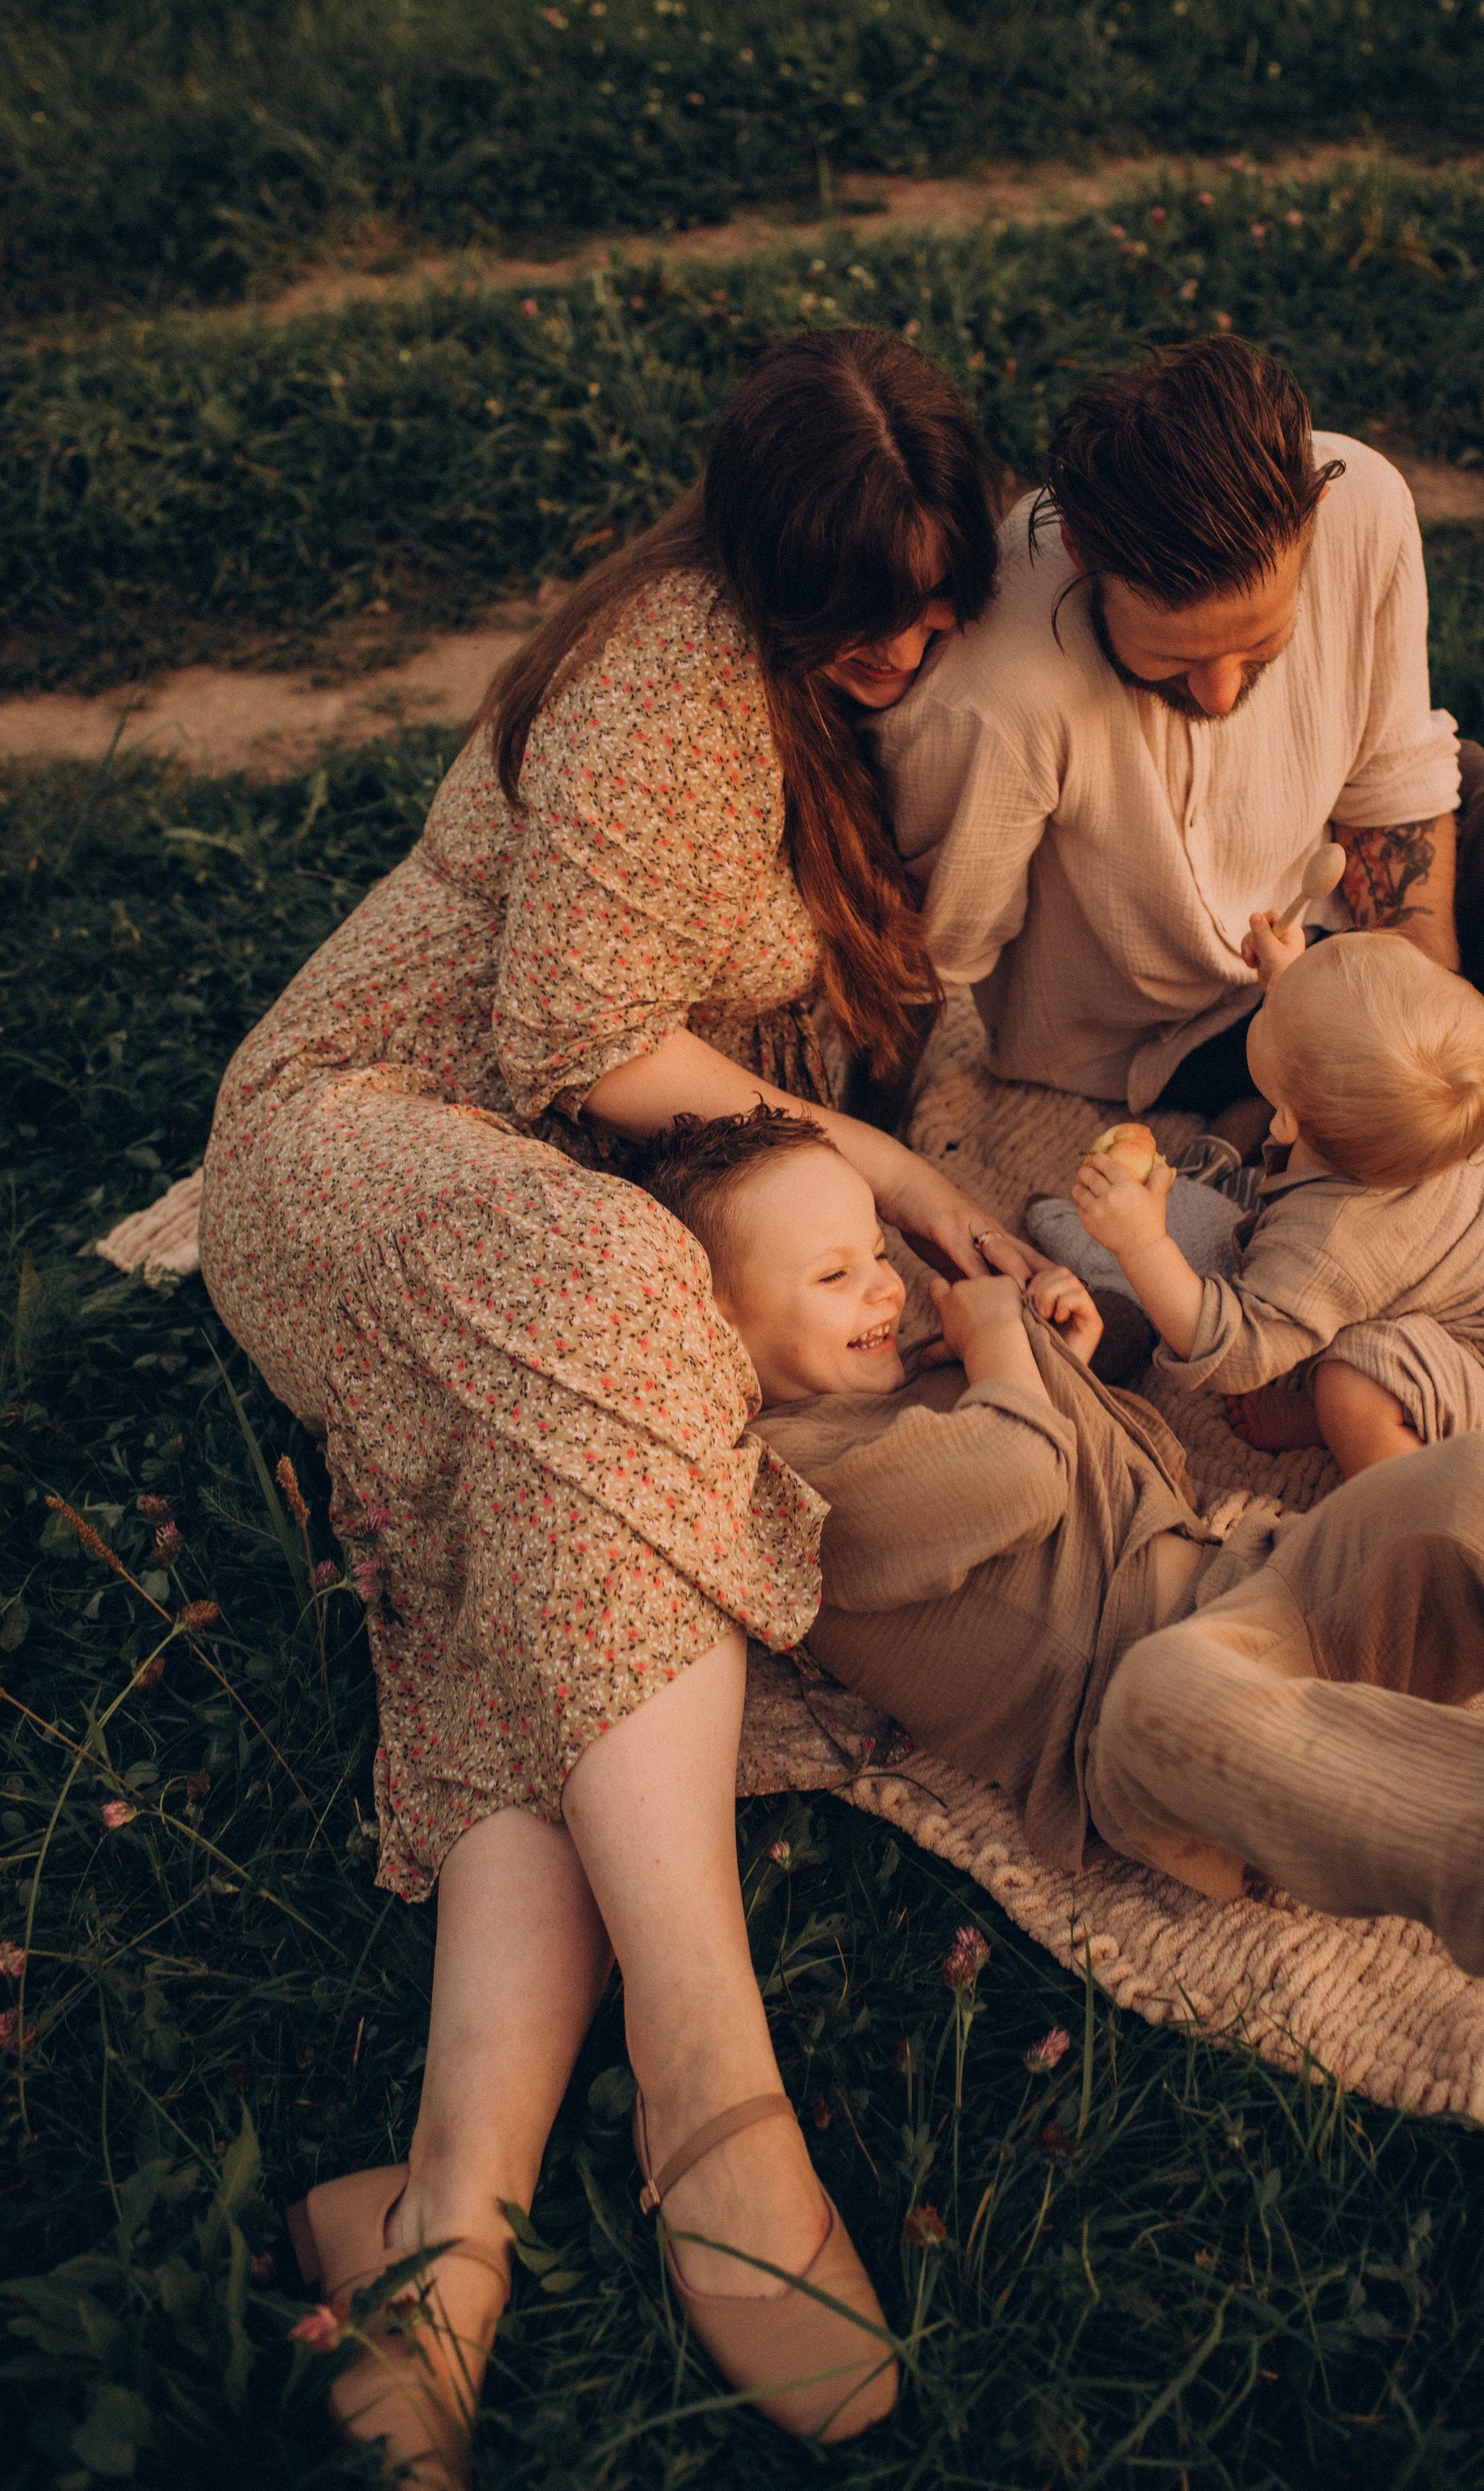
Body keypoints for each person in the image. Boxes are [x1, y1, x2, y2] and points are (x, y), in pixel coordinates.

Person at [200, 330, 1040, 2477]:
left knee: (556, 1528)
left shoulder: (859, 655)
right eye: (872, 613)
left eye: (938, 603)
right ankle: (708, 2082)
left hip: (538, 1242)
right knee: (621, 1280)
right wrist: (873, 1167)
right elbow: (581, 1039)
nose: (913, 645)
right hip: (351, 1144)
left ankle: (442, 2231)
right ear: (763, 574)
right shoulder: (673, 669)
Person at [642, 1106, 1484, 2080]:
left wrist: (1066, 1335)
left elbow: (1107, 1447)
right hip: (1139, 1731)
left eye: (876, 1250)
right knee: (1172, 1691)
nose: (888, 1288)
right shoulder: (798, 1493)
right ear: (717, 1337)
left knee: (1475, 1483)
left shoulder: (921, 1369)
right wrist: (1005, 1347)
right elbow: (1013, 1476)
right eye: (835, 1273)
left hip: (1254, 1585)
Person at [870, 335, 1484, 1234]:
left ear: (1314, 513)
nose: (1217, 693)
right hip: (1197, 1006)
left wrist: (1429, 997)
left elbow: (1393, 776)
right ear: (1085, 556)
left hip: (1387, 814)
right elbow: (936, 956)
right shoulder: (996, 697)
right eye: (1173, 662)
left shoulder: (1365, 502)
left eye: (1257, 646)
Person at [1051, 925, 1484, 1476]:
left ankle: (1406, 1512)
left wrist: (1142, 1242)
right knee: (1348, 1326)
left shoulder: (1330, 1237)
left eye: (1268, 1014)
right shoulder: (1422, 1119)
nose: (1268, 1003)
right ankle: (1331, 1403)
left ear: (1286, 1119)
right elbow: (1353, 1050)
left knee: (1348, 1391)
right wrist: (1294, 978)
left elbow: (1236, 1350)